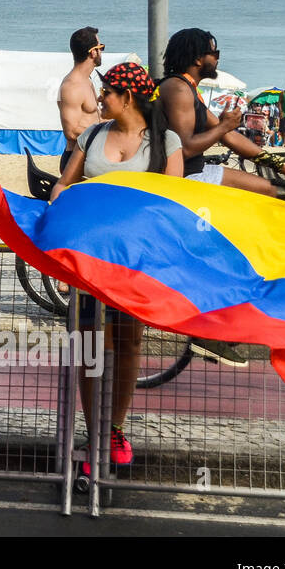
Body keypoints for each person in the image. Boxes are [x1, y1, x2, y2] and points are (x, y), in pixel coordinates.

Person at [50, 63, 183, 474]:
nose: (100, 98)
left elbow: (174, 202)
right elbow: (63, 184)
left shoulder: (166, 141)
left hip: (136, 265)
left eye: (107, 92)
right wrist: (59, 208)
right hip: (91, 265)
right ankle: (96, 433)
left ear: (126, 97)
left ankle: (115, 428)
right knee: (92, 349)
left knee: (127, 345)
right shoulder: (91, 135)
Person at [159, 28, 285, 195]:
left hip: (196, 170)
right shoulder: (178, 89)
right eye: (214, 53)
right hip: (186, 176)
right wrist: (223, 127)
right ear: (198, 59)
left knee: (271, 187)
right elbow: (185, 148)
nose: (218, 59)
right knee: (270, 191)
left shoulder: (188, 89)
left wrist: (278, 163)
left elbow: (229, 136)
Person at [57, 26, 104, 175]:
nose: (102, 52)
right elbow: (71, 132)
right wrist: (106, 135)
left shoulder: (86, 80)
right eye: (101, 47)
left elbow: (92, 118)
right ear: (93, 52)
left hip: (90, 155)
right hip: (76, 159)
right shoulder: (72, 86)